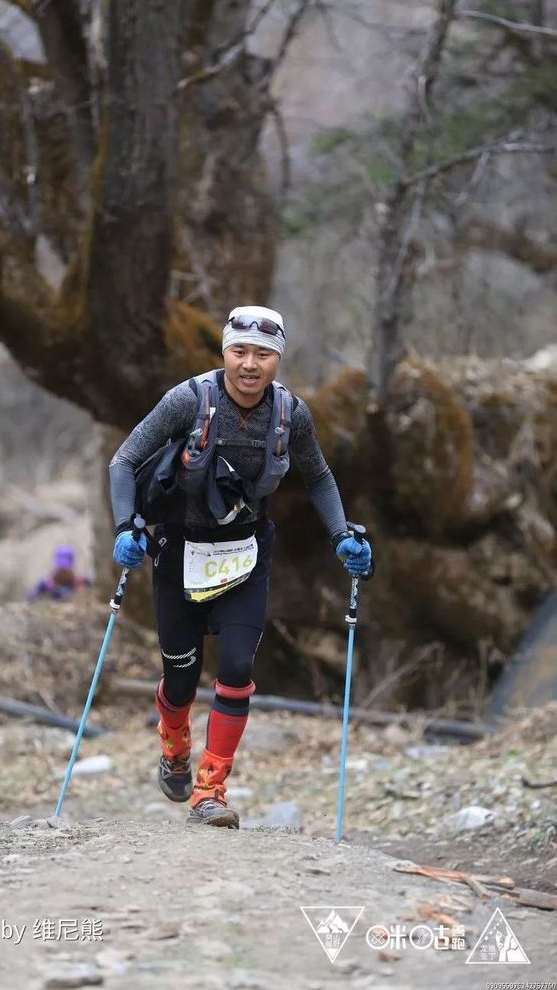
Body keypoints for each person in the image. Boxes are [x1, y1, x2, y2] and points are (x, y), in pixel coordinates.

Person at [109, 305, 373, 828]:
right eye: (240, 351)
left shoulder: (291, 414)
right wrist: (125, 527)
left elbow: (318, 477)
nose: (250, 364)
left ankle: (211, 792)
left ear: (278, 358)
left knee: (234, 668)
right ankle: (175, 749)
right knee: (180, 680)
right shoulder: (188, 401)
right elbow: (123, 460)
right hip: (180, 551)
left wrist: (342, 534)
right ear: (224, 352)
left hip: (247, 554)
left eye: (264, 354)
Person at [27, 545, 91, 602]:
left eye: (65, 568)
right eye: (60, 568)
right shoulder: (46, 583)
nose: (63, 570)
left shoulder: (81, 581)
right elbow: (31, 598)